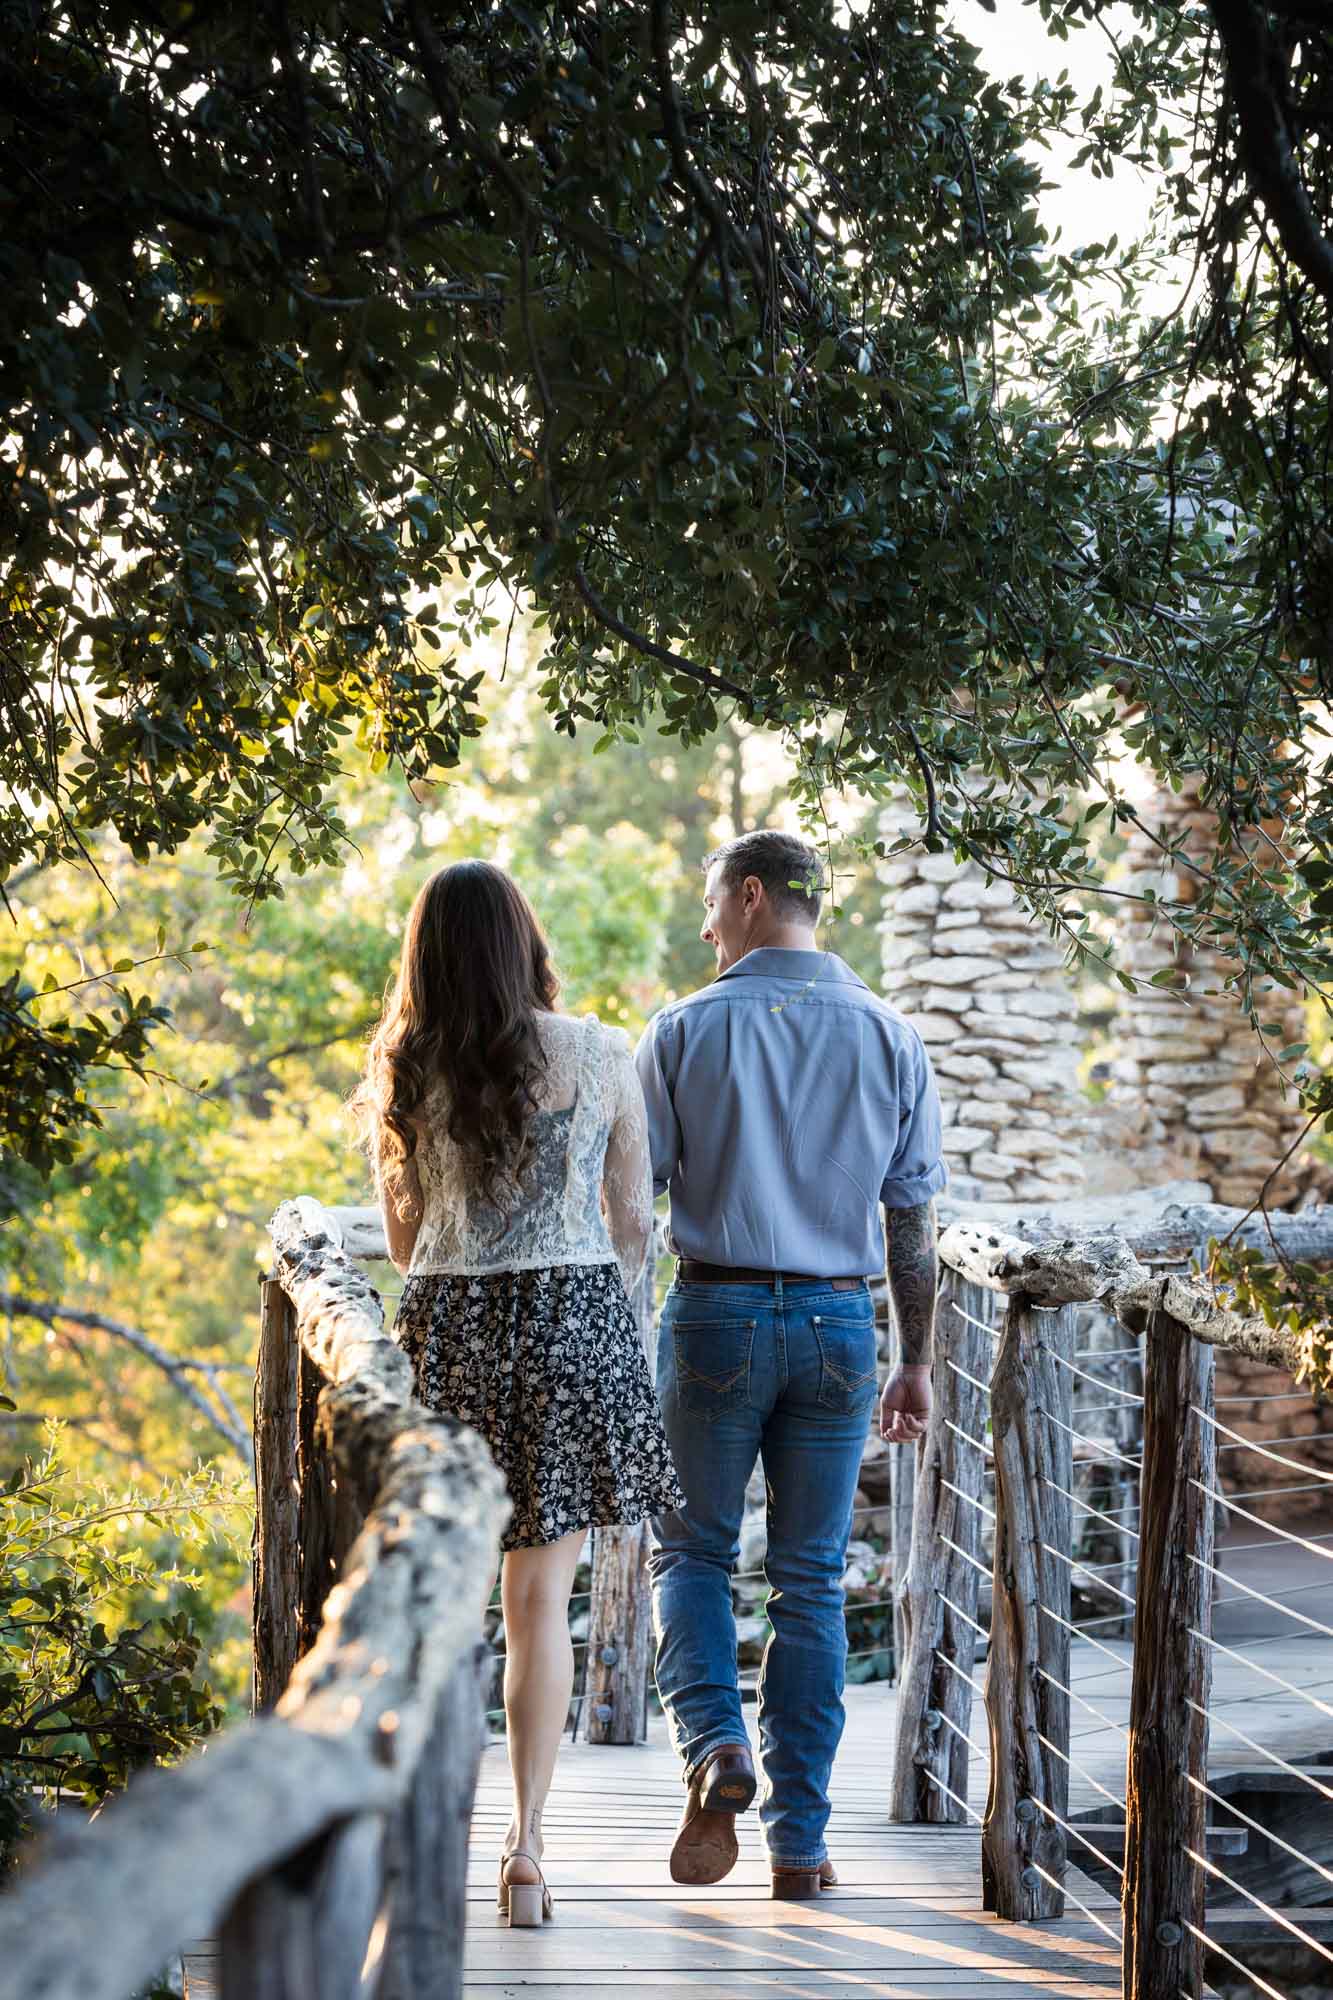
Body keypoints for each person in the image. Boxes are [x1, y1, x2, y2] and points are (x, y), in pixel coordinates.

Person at [355, 860, 684, 1929]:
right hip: (573, 1326)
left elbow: (406, 1244)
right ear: (523, 939)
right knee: (540, 1604)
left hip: (448, 1334)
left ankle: (407, 1840)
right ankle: (527, 1848)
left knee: (440, 1604)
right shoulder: (598, 1050)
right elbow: (633, 1219)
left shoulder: (404, 1067)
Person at [635, 829, 946, 1900]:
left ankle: (717, 1742)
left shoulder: (681, 1027)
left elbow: (634, 1205)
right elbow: (910, 1220)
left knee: (691, 1555)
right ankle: (801, 1847)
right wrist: (917, 1359)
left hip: (715, 1314)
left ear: (755, 895)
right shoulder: (891, 1034)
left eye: (712, 902)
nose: (706, 923)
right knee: (811, 1581)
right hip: (839, 1325)